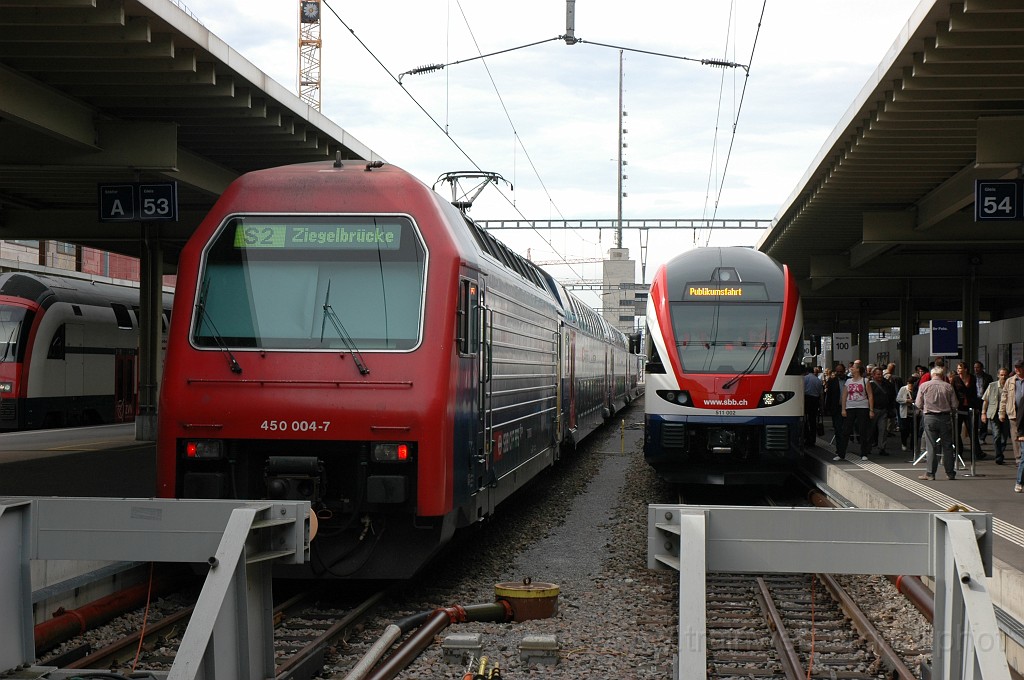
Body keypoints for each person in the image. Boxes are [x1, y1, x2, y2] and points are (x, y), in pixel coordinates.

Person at [915, 366, 959, 481]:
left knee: (931, 446)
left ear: (932, 374)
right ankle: (950, 473)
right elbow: (955, 404)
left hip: (930, 417)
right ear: (942, 375)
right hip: (945, 418)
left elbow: (918, 403)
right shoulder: (948, 386)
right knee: (948, 446)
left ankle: (930, 473)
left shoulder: (924, 386)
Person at [834, 361, 874, 462]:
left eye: (853, 367)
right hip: (850, 407)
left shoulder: (865, 381)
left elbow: (870, 396)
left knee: (862, 430)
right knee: (845, 431)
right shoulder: (848, 382)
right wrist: (843, 408)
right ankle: (841, 453)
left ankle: (864, 453)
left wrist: (871, 410)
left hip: (863, 407)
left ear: (858, 369)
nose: (851, 368)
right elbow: (844, 396)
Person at [950, 361, 985, 459]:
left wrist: (976, 407)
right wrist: (953, 406)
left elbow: (974, 393)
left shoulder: (972, 378)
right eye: (957, 368)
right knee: (956, 431)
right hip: (959, 407)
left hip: (970, 406)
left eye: (960, 368)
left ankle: (977, 452)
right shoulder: (955, 379)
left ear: (965, 369)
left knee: (972, 430)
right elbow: (952, 392)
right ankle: (958, 451)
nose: (958, 370)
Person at [999, 359, 1024, 487]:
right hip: (1014, 414)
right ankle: (1019, 460)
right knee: (1016, 439)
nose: (1017, 370)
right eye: (1016, 367)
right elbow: (1004, 397)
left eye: (1020, 367)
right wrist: (1002, 413)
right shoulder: (1010, 381)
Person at [981, 367, 1009, 464]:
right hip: (994, 414)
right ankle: (998, 456)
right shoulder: (992, 386)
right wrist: (983, 413)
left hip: (1007, 414)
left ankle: (1000, 451)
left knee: (1004, 437)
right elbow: (986, 400)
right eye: (1001, 375)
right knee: (996, 435)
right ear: (998, 375)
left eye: (1005, 375)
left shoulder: (1010, 386)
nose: (1003, 377)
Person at [870, 367, 894, 455]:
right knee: (871, 429)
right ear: (873, 375)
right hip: (873, 409)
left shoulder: (886, 384)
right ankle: (868, 447)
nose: (880, 376)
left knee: (883, 429)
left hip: (883, 410)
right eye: (878, 374)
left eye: (881, 374)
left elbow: (891, 395)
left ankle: (882, 448)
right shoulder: (870, 384)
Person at [824, 364, 847, 447]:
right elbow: (829, 395)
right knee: (838, 428)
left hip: (848, 408)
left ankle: (844, 445)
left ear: (844, 371)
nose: (839, 373)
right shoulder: (832, 381)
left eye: (841, 371)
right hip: (836, 408)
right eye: (837, 371)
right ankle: (839, 446)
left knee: (846, 429)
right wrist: (827, 408)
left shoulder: (849, 380)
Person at [973, 361, 993, 444]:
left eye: (977, 367)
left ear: (981, 368)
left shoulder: (988, 377)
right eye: (975, 367)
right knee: (975, 418)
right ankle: (975, 436)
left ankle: (982, 436)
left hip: (984, 399)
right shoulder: (972, 377)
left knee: (984, 419)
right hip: (975, 400)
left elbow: (991, 388)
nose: (976, 369)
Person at [803, 365, 823, 447]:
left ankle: (807, 437)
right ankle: (813, 439)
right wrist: (821, 406)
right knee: (813, 420)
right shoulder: (818, 380)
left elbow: (802, 389)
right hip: (815, 400)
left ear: (806, 371)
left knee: (805, 419)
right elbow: (821, 393)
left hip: (807, 399)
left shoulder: (805, 378)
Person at [896, 376, 916, 452]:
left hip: (914, 413)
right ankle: (904, 443)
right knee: (904, 430)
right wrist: (906, 400)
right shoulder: (903, 389)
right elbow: (898, 399)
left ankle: (912, 446)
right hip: (905, 412)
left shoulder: (916, 389)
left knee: (914, 430)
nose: (911, 387)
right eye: (910, 385)